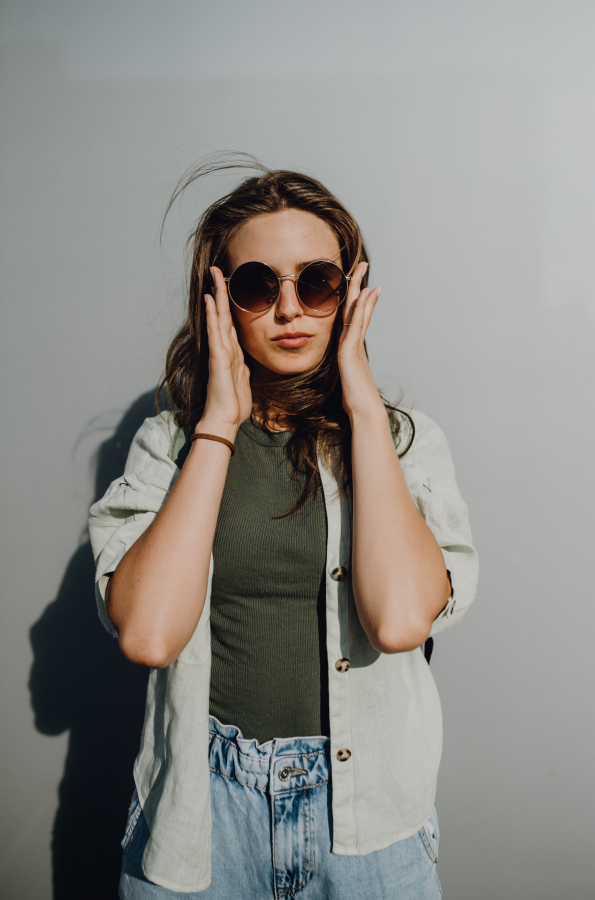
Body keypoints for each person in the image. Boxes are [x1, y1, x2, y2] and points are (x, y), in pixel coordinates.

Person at [88, 159, 479, 900]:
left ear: (352, 291)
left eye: (318, 282)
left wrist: (362, 405)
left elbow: (399, 620)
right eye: (258, 286)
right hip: (204, 819)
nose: (290, 309)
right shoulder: (169, 446)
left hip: (366, 823)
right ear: (219, 299)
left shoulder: (403, 442)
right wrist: (216, 428)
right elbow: (147, 635)